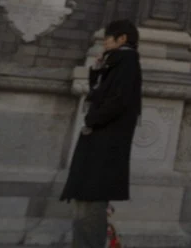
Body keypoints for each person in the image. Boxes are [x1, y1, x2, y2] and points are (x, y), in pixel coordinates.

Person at [61, 20, 143, 248]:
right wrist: (97, 72)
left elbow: (117, 101)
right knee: (85, 202)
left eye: (108, 37)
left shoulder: (125, 62)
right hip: (101, 143)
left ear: (122, 39)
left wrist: (92, 120)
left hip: (104, 146)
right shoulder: (115, 63)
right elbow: (100, 95)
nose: (104, 42)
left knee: (90, 204)